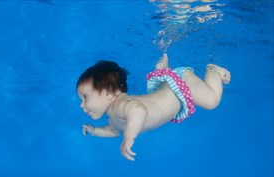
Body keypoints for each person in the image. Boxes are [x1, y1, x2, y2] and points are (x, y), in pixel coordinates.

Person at [76, 53, 231, 161]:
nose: (82, 105)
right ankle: (166, 70)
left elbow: (138, 111)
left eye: (85, 97)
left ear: (109, 92)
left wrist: (129, 138)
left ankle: (212, 70)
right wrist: (95, 131)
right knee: (166, 91)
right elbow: (113, 131)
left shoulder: (121, 105)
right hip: (169, 88)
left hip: (182, 83)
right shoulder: (114, 117)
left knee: (211, 101)